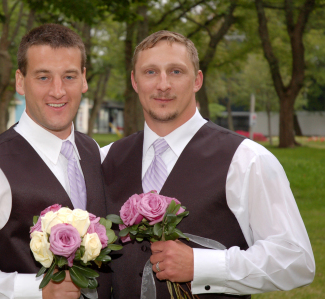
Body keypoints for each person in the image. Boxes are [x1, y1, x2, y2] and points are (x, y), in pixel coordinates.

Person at [101, 30, 315, 298]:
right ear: (134, 81)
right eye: (150, 72)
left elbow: (296, 260)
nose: (163, 84)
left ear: (197, 80)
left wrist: (203, 265)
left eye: (176, 72)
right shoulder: (106, 158)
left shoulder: (247, 159)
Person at [0, 24, 110, 299]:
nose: (58, 91)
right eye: (43, 77)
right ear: (20, 81)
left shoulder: (93, 150)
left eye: (69, 76)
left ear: (84, 79)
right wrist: (37, 290)